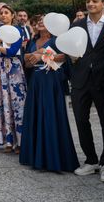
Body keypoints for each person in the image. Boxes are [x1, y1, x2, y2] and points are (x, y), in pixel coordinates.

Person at [19, 15, 79, 172]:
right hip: (35, 83)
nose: (40, 22)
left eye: (44, 20)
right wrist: (31, 58)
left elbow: (63, 58)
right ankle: (36, 157)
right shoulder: (32, 42)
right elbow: (27, 62)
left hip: (51, 82)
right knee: (35, 117)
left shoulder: (57, 40)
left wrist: (42, 55)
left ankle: (54, 158)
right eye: (38, 20)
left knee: (50, 117)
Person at [71, 0, 104, 182]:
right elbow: (70, 49)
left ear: (103, 3)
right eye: (88, 1)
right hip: (81, 80)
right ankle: (91, 161)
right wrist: (72, 59)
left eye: (95, 1)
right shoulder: (78, 26)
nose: (90, 4)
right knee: (81, 121)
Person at [0, 4, 27, 153]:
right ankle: (8, 140)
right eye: (1, 13)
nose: (3, 15)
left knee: (16, 103)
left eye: (6, 13)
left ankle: (20, 141)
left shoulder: (18, 30)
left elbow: (13, 51)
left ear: (12, 15)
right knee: (3, 102)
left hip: (13, 68)